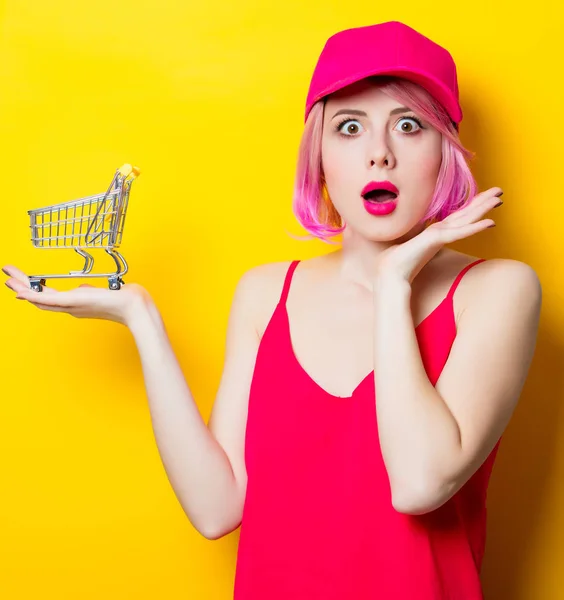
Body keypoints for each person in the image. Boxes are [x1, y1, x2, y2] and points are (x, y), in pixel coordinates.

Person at [3, 20, 542, 600]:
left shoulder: (498, 290)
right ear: (320, 158)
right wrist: (141, 318)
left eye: (409, 126)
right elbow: (216, 509)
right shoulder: (265, 293)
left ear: (445, 152)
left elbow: (418, 483)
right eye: (349, 128)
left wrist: (394, 287)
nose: (379, 154)